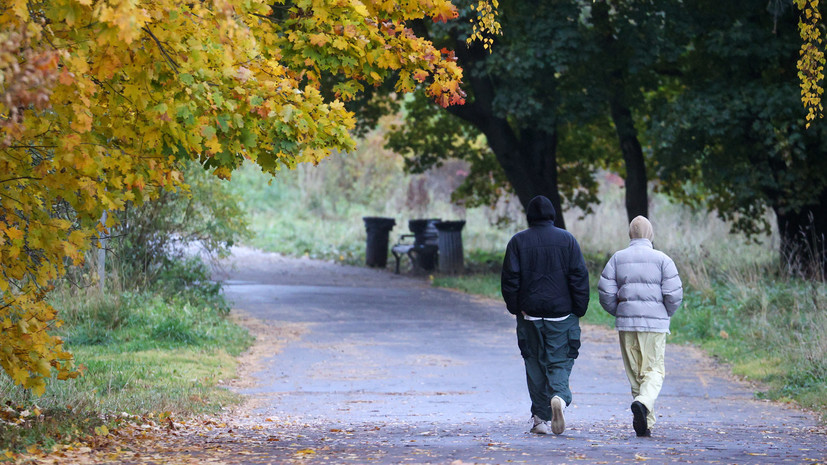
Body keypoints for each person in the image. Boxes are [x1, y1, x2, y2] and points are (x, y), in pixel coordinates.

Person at [501, 195, 590, 435]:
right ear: (552, 215)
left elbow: (510, 279)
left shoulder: (518, 241)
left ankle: (540, 419)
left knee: (534, 363)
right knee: (559, 360)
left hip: (529, 314)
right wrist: (578, 309)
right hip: (561, 315)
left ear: (529, 217)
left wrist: (516, 307)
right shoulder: (567, 240)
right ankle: (559, 398)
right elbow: (579, 277)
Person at [597, 216, 683, 437]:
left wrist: (620, 310)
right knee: (654, 370)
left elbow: (605, 292)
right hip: (654, 326)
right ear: (651, 234)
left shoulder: (617, 258)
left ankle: (646, 423)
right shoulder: (663, 260)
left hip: (627, 324)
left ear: (630, 235)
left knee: (635, 373)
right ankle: (643, 403)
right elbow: (673, 294)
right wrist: (665, 314)